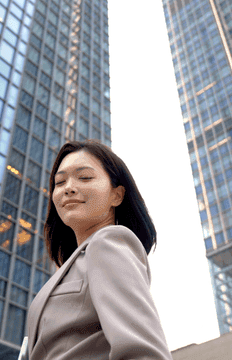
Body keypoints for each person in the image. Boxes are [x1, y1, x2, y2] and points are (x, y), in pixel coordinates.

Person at [24, 140, 173, 360]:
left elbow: (144, 353)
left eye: (84, 177)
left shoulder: (109, 242)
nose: (69, 188)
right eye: (60, 182)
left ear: (117, 195)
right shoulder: (73, 265)